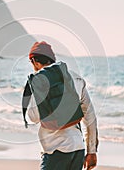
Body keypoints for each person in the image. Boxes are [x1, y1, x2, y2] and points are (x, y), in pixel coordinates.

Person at [22, 41, 98, 170]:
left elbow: (33, 117)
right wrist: (92, 151)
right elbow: (89, 116)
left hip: (55, 151)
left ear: (34, 61)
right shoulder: (75, 78)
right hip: (78, 149)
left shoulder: (39, 81)